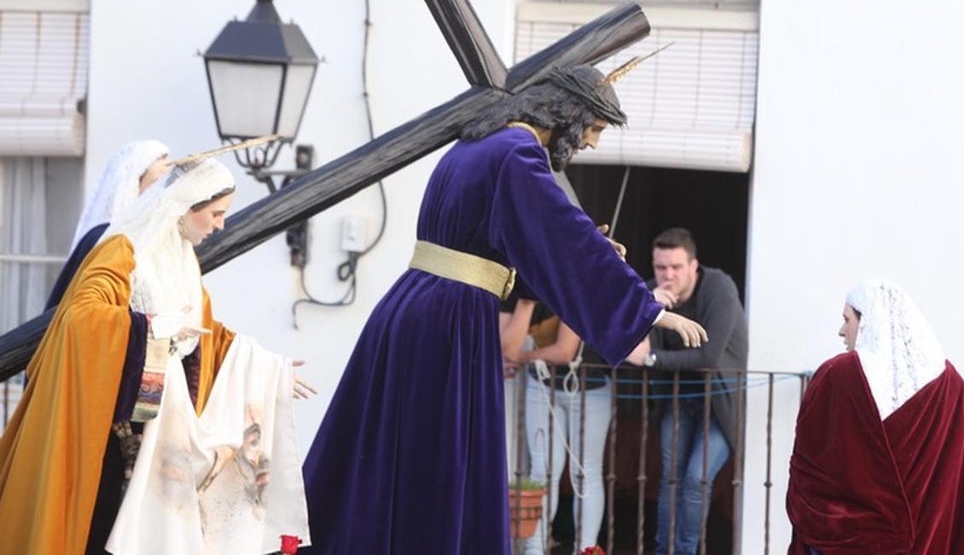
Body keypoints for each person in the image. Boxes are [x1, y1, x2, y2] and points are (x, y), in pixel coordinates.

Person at [301, 64, 708, 555]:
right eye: (595, 129)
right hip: (450, 318)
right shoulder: (518, 154)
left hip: (418, 305)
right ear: (570, 114)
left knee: (403, 454)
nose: (593, 144)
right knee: (438, 460)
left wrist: (586, 253)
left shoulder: (478, 144)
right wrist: (647, 309)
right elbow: (562, 235)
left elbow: (522, 246)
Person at [0, 156, 314, 554]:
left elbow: (207, 334)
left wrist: (269, 369)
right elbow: (82, 315)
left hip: (163, 426)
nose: (220, 225)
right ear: (186, 205)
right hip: (118, 433)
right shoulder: (123, 249)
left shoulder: (183, 260)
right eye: (215, 214)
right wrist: (148, 328)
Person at [786, 279, 964, 555]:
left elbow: (811, 473)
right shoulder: (950, 386)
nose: (842, 331)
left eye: (847, 319)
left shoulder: (838, 375)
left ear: (867, 321)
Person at [626, 227, 748, 555]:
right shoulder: (652, 292)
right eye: (660, 268)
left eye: (676, 268)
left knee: (696, 480)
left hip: (720, 403)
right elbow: (626, 347)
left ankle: (685, 550)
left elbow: (707, 355)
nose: (668, 276)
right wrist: (648, 311)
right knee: (670, 479)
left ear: (694, 266)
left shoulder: (719, 287)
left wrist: (652, 359)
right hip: (677, 399)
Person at [501, 296, 613, 555]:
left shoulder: (569, 279)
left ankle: (584, 549)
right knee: (542, 470)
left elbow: (565, 351)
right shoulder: (519, 290)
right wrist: (525, 303)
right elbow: (507, 349)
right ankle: (534, 549)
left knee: (585, 473)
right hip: (541, 385)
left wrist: (523, 356)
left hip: (589, 386)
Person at [45, 139, 171, 310]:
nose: (163, 191)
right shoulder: (103, 237)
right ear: (131, 185)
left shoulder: (159, 239)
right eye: (157, 182)